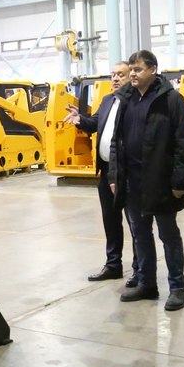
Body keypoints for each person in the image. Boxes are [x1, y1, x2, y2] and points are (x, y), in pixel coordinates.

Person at [108, 50, 184, 311]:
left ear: (153, 70)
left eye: (138, 69)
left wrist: (180, 181)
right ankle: (147, 284)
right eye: (131, 69)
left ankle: (177, 288)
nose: (132, 74)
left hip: (161, 182)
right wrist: (115, 175)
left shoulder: (171, 100)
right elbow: (116, 141)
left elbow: (183, 142)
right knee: (140, 235)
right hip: (132, 182)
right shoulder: (125, 100)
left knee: (168, 235)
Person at [64, 62, 139, 286]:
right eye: (113, 75)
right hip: (106, 171)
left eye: (120, 75)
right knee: (111, 220)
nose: (115, 79)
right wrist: (80, 120)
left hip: (128, 172)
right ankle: (113, 264)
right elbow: (95, 123)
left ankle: (140, 269)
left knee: (136, 223)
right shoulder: (107, 101)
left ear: (131, 77)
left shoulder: (136, 102)